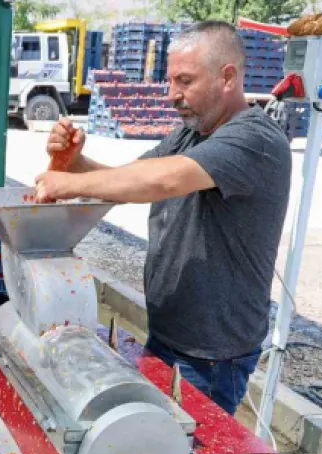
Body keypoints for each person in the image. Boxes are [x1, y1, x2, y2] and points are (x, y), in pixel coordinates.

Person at [34, 21, 292, 416]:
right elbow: (130, 178)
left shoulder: (253, 139)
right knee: (156, 447)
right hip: (169, 335)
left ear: (228, 77)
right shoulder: (191, 134)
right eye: (170, 81)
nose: (173, 95)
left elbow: (163, 179)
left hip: (211, 356)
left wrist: (64, 184)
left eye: (185, 81)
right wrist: (76, 164)